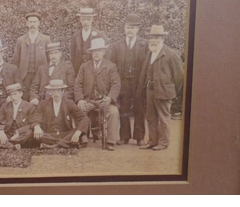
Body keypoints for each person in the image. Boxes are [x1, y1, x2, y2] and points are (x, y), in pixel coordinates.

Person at [137, 25, 184, 151]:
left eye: (157, 37)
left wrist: (170, 90)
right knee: (150, 117)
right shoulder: (149, 53)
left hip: (164, 92)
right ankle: (152, 141)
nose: (153, 40)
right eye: (151, 37)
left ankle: (163, 143)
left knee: (164, 118)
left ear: (163, 38)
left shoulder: (171, 54)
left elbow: (179, 76)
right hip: (150, 90)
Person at [108, 13, 149, 145]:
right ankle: (124, 136)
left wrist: (144, 82)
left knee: (139, 108)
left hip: (138, 82)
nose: (130, 30)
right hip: (123, 81)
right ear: (124, 28)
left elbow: (147, 65)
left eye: (133, 27)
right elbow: (112, 66)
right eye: (128, 27)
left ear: (137, 29)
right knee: (123, 109)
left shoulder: (145, 44)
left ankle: (139, 137)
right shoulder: (116, 46)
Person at [74, 38, 121, 151]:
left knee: (113, 112)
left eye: (99, 51)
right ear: (91, 53)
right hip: (88, 100)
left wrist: (110, 98)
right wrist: (80, 99)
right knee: (77, 111)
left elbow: (116, 85)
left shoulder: (111, 66)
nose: (96, 53)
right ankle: (82, 137)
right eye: (94, 51)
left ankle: (110, 141)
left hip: (104, 100)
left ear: (104, 52)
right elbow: (77, 84)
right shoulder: (84, 66)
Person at [32, 79, 89, 149]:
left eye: (58, 91)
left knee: (76, 133)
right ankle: (63, 144)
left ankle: (53, 145)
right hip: (49, 134)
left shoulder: (69, 103)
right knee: (33, 133)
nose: (56, 94)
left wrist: (77, 133)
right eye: (53, 91)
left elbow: (84, 118)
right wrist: (36, 127)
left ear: (63, 92)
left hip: (65, 133)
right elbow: (37, 116)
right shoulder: (43, 104)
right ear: (49, 92)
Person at [13, 12, 51, 101]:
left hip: (40, 75)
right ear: (27, 24)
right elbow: (16, 60)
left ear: (39, 23)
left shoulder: (45, 39)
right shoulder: (21, 40)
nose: (32, 24)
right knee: (25, 98)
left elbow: (49, 59)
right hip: (25, 76)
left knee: (39, 97)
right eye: (30, 22)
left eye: (34, 22)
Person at [0, 83, 36, 149]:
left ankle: (4, 143)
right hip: (8, 133)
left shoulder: (29, 106)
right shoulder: (5, 106)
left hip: (21, 133)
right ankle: (11, 145)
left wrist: (18, 132)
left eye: (15, 94)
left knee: (30, 132)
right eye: (10, 95)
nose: (13, 97)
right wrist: (1, 132)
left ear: (21, 94)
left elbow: (32, 123)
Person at [70, 7, 108, 75]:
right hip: (79, 72)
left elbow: (106, 55)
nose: (86, 22)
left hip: (95, 72)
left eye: (88, 19)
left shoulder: (100, 34)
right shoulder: (75, 36)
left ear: (92, 19)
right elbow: (73, 56)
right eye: (84, 19)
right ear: (80, 20)